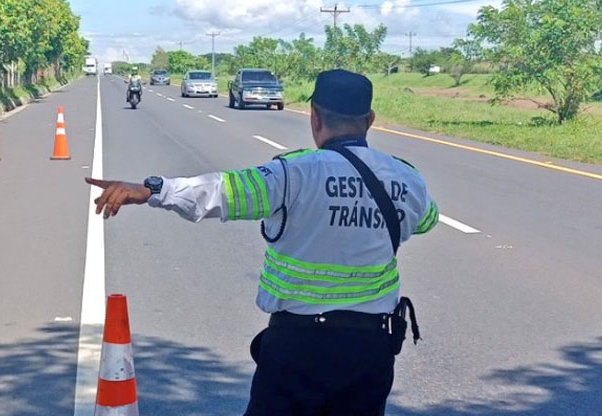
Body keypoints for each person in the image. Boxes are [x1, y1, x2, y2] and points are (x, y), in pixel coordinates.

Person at [86, 69, 438, 416]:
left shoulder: (294, 172)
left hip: (299, 347)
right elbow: (426, 220)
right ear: (370, 119)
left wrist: (152, 190)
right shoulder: (406, 178)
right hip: (371, 350)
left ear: (314, 116)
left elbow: (222, 192)